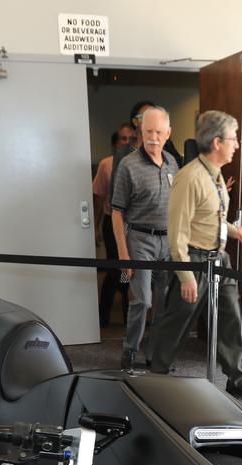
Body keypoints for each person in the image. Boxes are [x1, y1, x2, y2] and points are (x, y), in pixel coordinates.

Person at [151, 110, 242, 399]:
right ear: (217, 142)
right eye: (233, 139)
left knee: (231, 318)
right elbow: (177, 231)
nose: (237, 145)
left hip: (219, 259)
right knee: (178, 321)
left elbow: (208, 217)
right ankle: (156, 377)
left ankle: (237, 378)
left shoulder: (214, 176)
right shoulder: (188, 178)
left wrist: (232, 229)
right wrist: (186, 276)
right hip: (193, 260)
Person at [111, 107, 178, 369]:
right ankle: (130, 351)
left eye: (159, 132)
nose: (153, 137)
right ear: (141, 131)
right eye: (148, 131)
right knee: (143, 300)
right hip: (139, 239)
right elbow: (117, 213)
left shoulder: (173, 162)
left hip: (168, 241)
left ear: (168, 133)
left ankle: (155, 355)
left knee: (163, 302)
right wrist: (123, 253)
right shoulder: (129, 165)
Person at [94, 122, 137, 327]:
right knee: (118, 270)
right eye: (123, 138)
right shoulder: (106, 164)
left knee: (125, 272)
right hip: (112, 226)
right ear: (115, 143)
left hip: (134, 228)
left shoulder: (140, 164)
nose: (127, 142)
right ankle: (104, 317)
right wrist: (94, 226)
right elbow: (98, 198)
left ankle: (127, 318)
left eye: (131, 138)